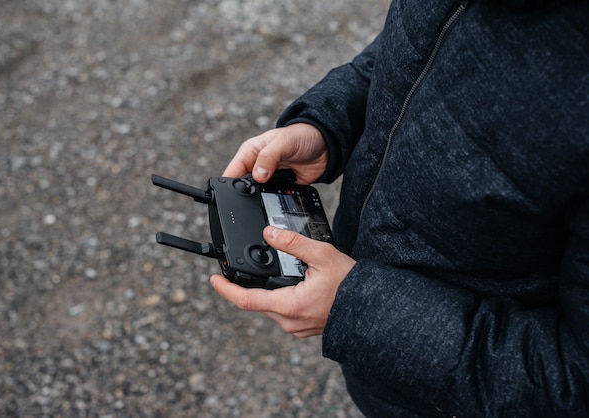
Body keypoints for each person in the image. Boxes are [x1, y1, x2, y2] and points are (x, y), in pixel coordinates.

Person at [210, 0, 589, 415]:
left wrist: (360, 313)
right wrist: (326, 124)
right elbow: (414, 50)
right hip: (385, 371)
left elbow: (573, 382)